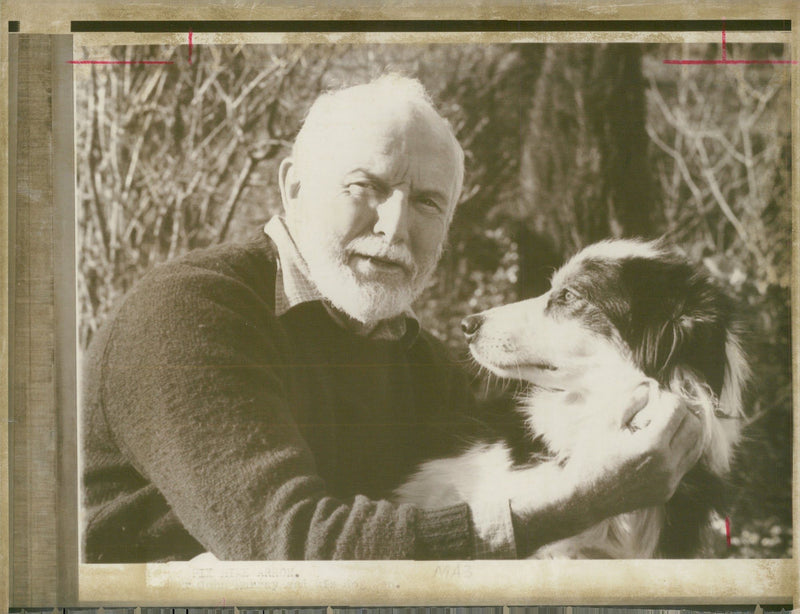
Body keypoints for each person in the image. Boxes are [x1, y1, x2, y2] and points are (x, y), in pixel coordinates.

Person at [81, 74, 703, 562]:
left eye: (428, 202)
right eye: (366, 186)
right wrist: (585, 496)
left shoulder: (422, 364)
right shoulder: (190, 314)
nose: (395, 226)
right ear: (293, 186)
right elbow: (291, 548)